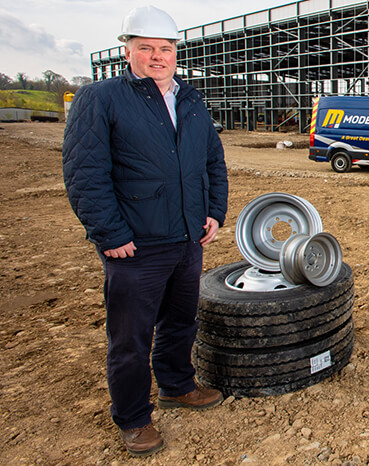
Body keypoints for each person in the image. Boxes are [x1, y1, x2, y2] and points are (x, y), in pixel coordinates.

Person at [62, 6, 229, 456]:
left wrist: (214, 211)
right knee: (131, 337)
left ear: (177, 52)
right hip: (135, 244)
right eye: (147, 48)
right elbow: (85, 173)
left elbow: (212, 161)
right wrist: (109, 233)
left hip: (186, 239)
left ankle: (177, 385)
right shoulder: (101, 98)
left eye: (166, 48)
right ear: (128, 50)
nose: (158, 56)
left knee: (181, 321)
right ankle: (134, 418)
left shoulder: (190, 100)